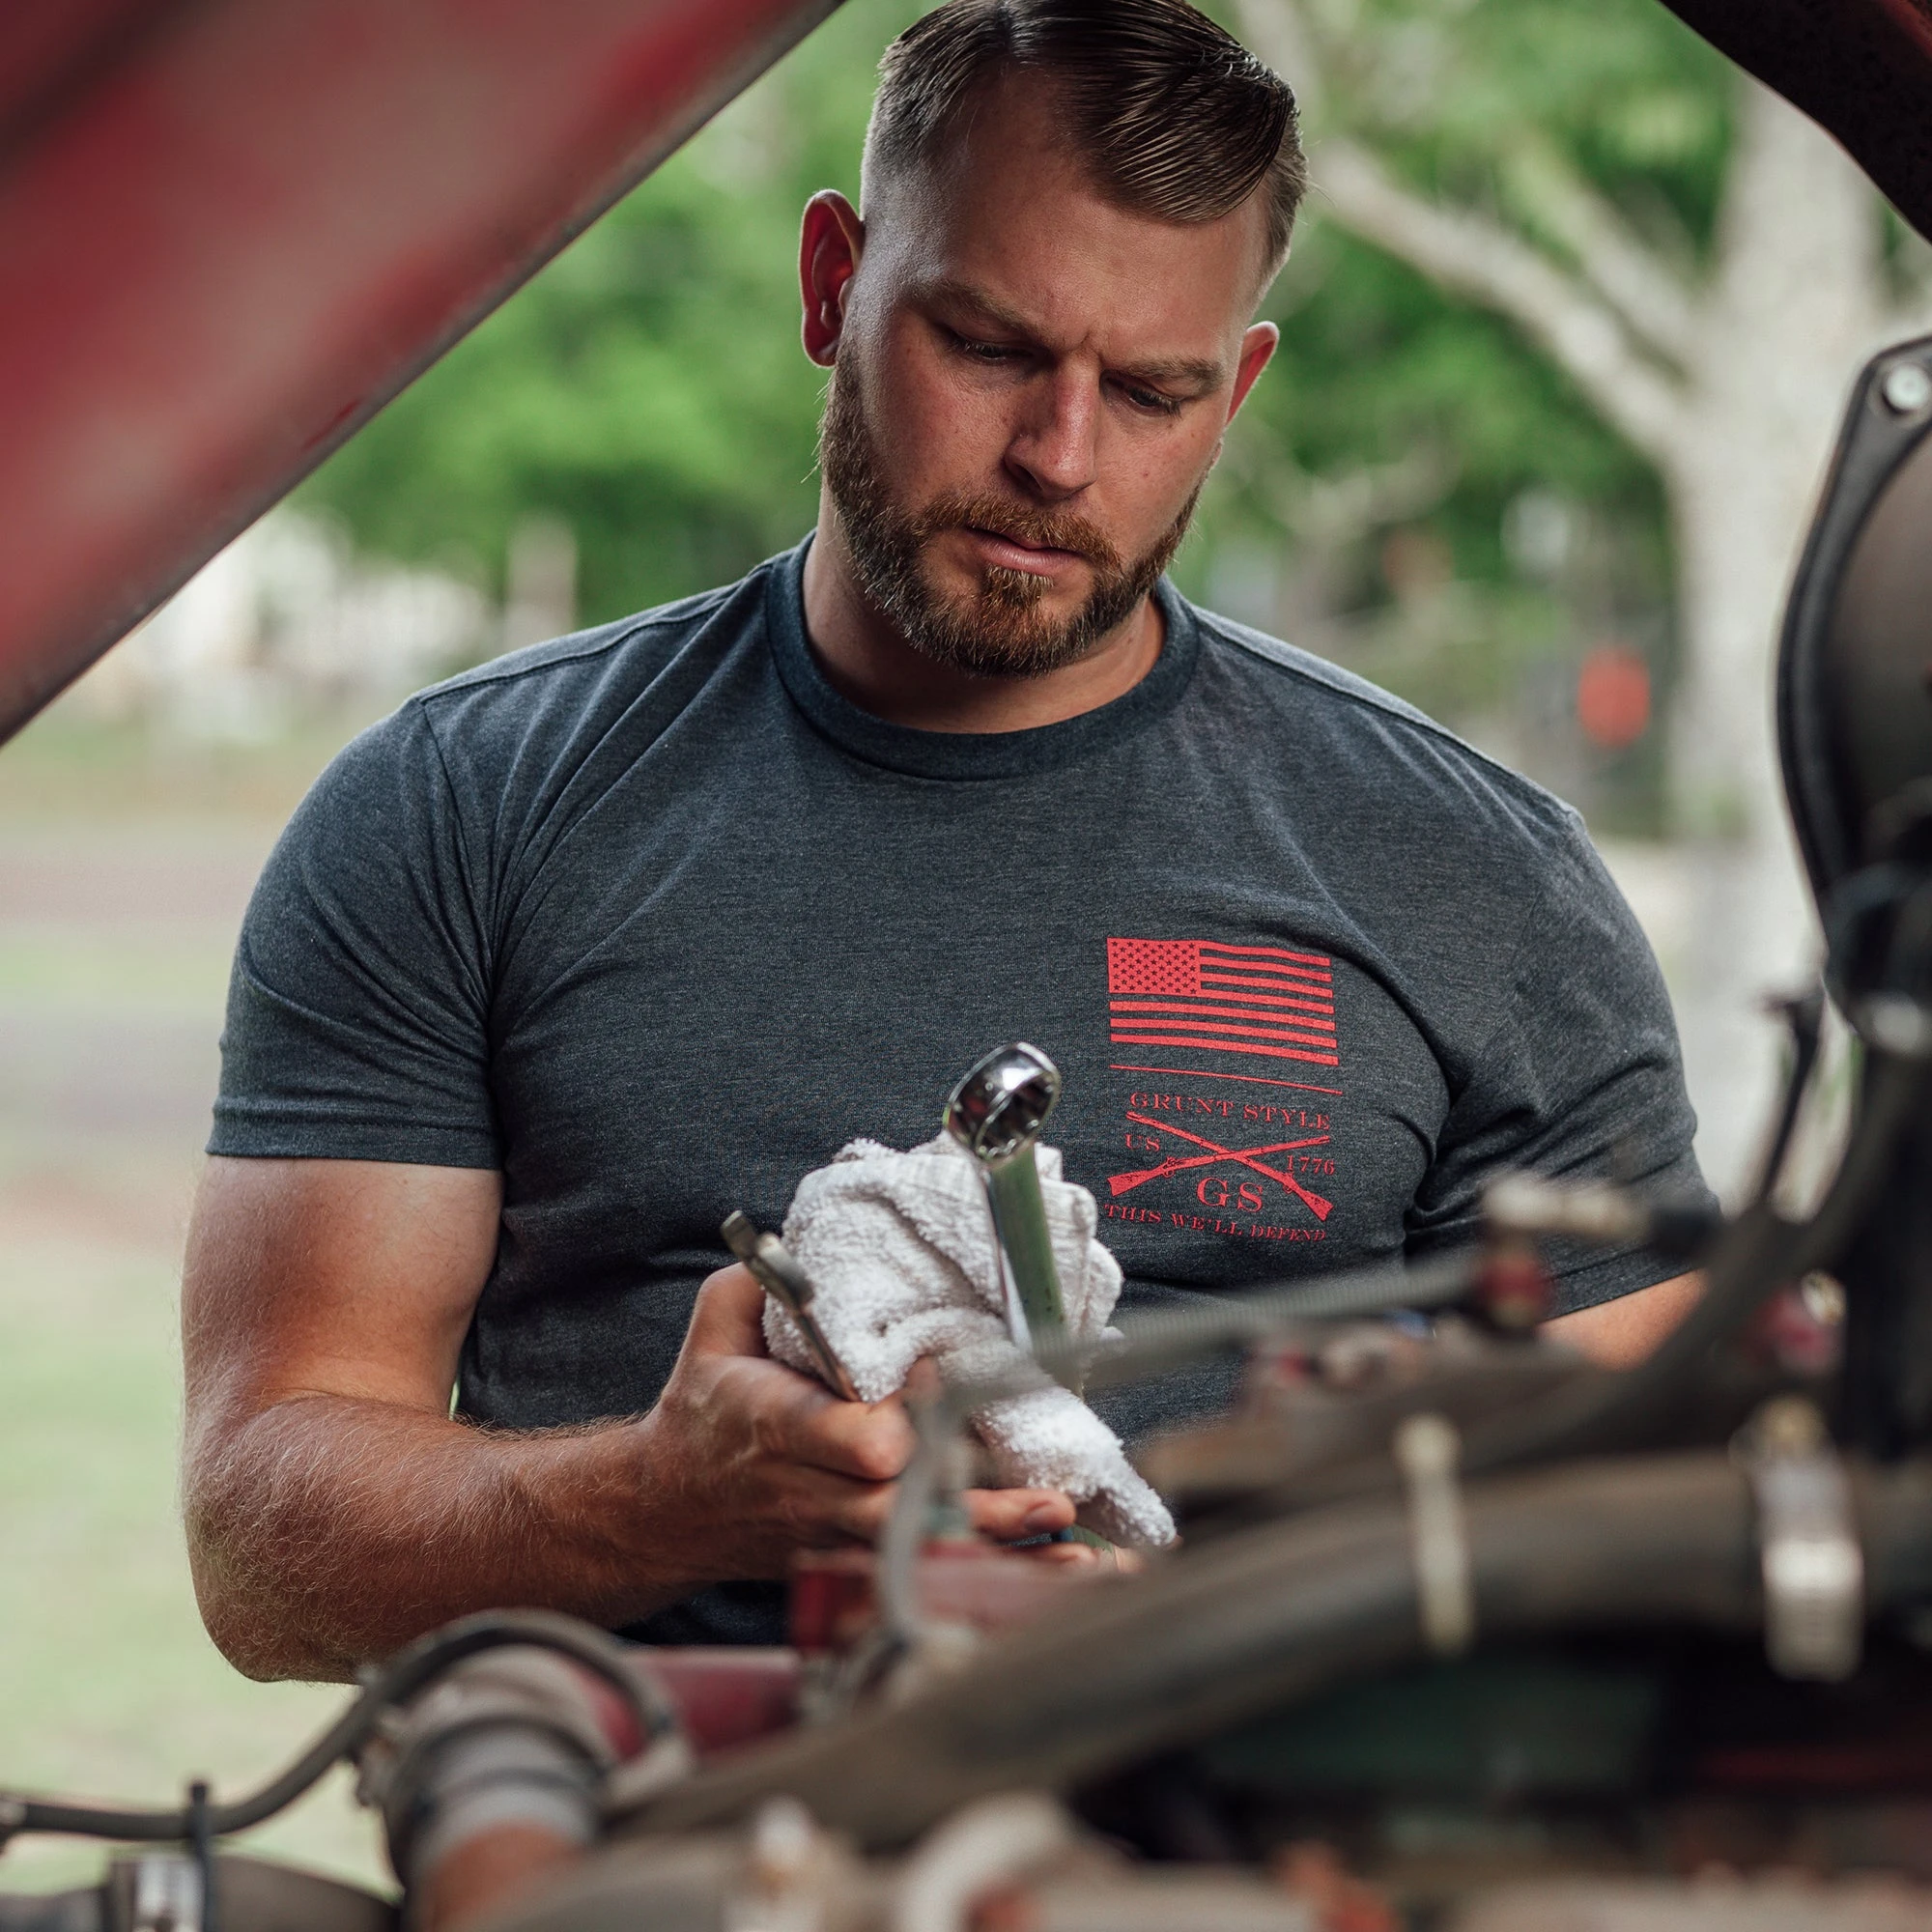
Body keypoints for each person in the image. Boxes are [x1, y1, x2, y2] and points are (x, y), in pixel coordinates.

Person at [182, 0, 1711, 1682]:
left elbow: (1673, 1511)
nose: (1061, 458)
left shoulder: (1477, 878)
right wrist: (664, 1499)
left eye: (1150, 390)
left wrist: (1264, 1603)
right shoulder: (461, 813)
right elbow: (262, 1564)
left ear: (1240, 387)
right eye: (987, 345)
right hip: (639, 1828)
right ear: (834, 283)